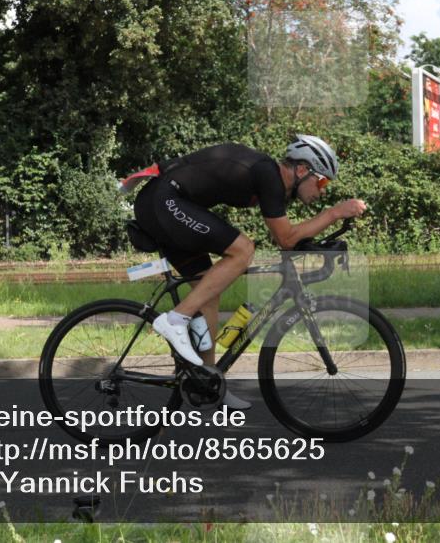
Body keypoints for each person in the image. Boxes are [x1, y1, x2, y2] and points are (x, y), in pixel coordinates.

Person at [130, 135, 367, 410]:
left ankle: (208, 382)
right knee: (243, 250)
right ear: (302, 170)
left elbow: (290, 237)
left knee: (208, 290)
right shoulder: (267, 173)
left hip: (165, 203)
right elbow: (286, 239)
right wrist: (334, 213)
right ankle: (175, 320)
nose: (323, 191)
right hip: (164, 200)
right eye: (323, 181)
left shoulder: (275, 184)